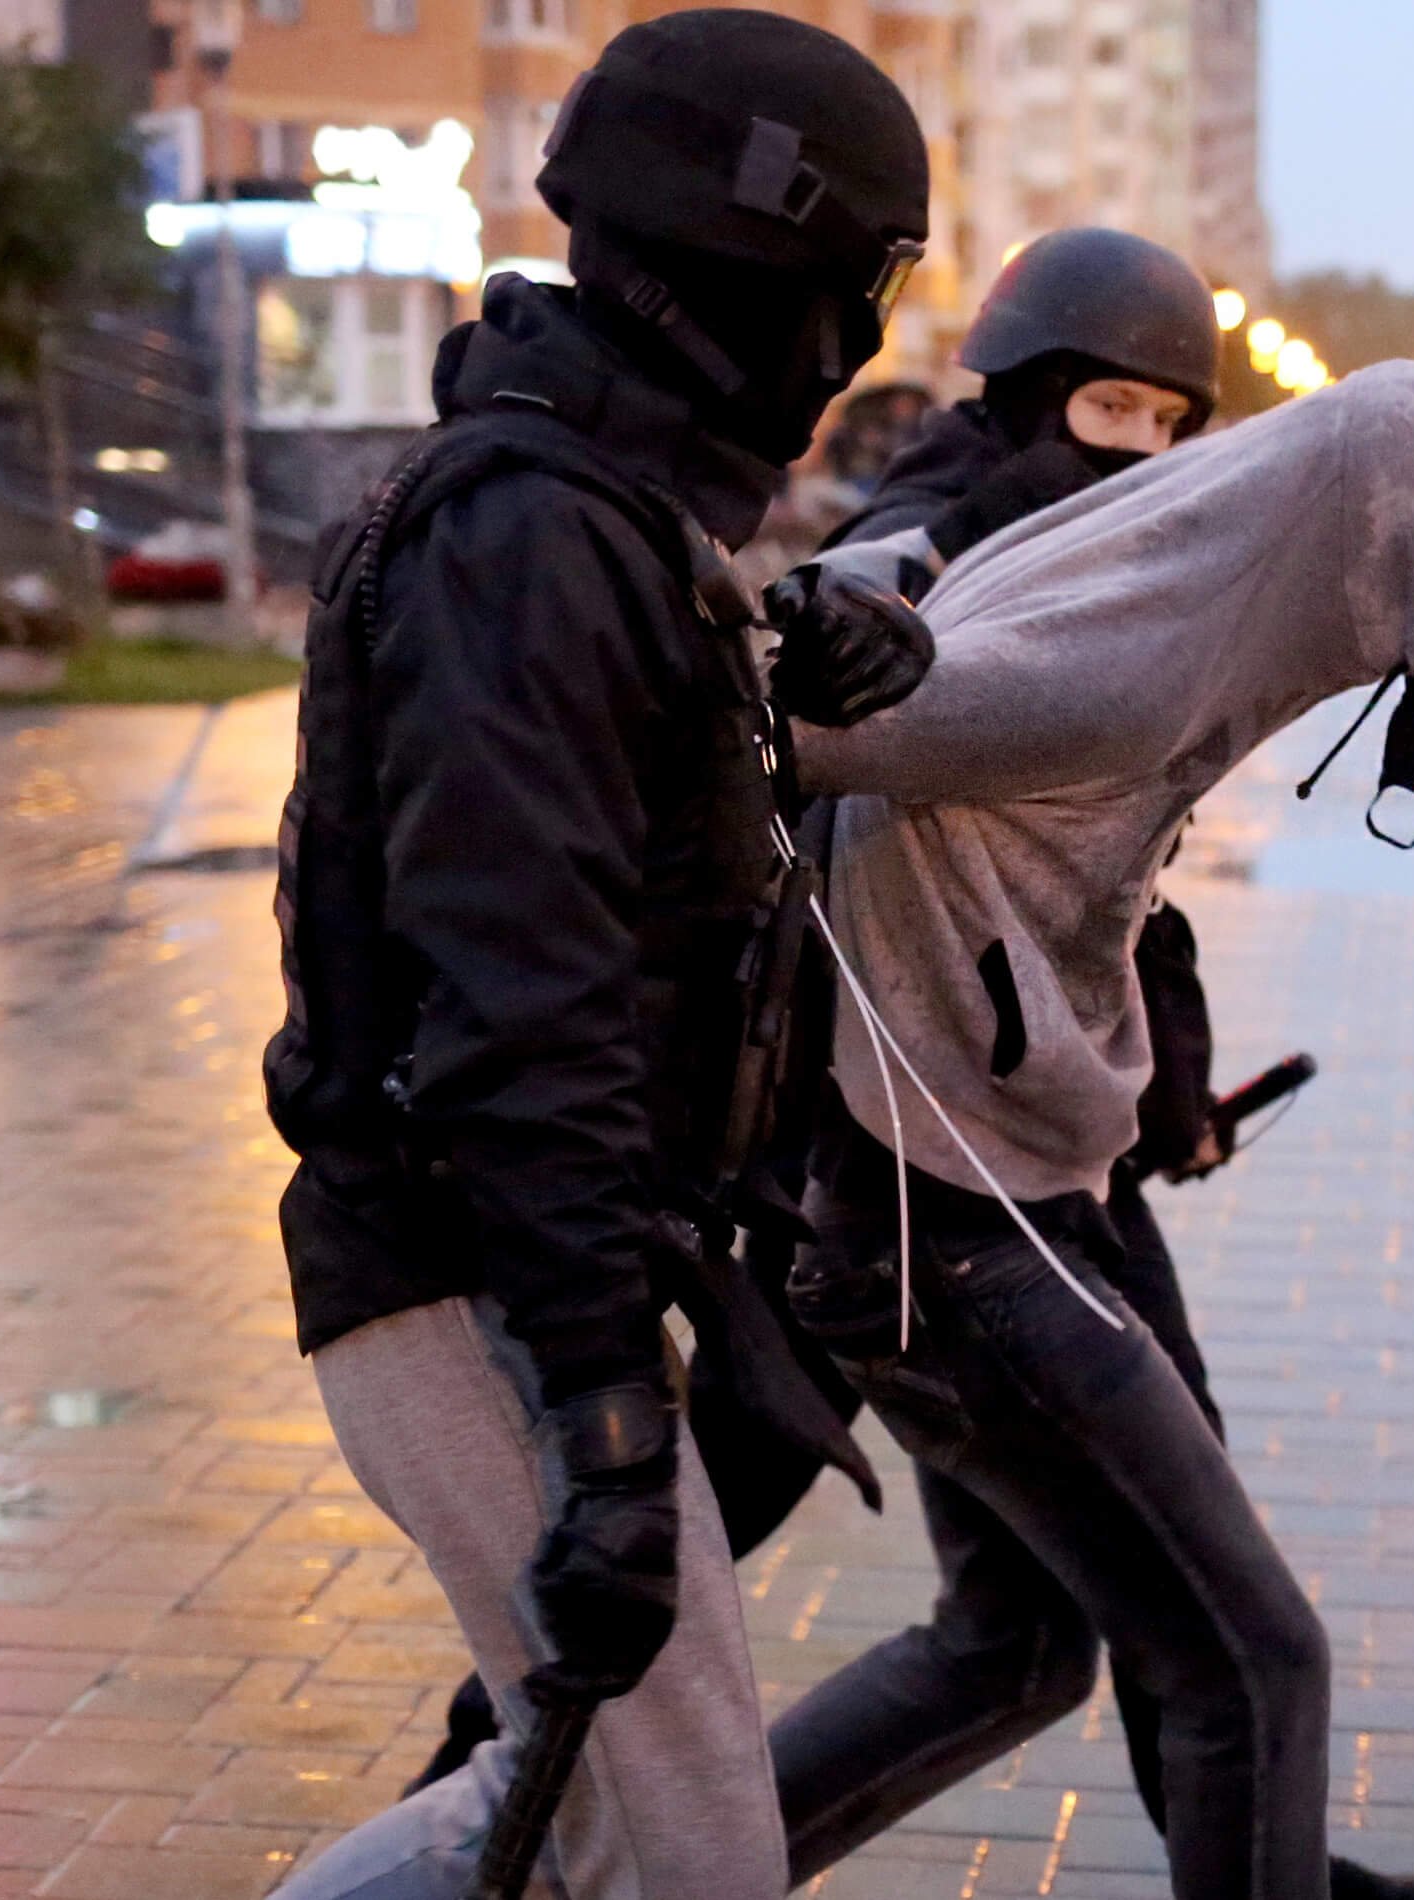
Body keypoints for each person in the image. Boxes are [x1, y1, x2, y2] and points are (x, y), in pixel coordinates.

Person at [256, 12, 935, 1896]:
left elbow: (646, 847)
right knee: (695, 1845)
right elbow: (519, 1009)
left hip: (534, 1273)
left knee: (557, 1826)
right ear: (742, 255)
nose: (859, 334)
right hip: (471, 1276)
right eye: (855, 278)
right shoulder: (531, 535)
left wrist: (810, 649)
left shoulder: (603, 513)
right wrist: (606, 1422)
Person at [766, 360, 1414, 1900]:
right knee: (1253, 1663)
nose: (1408, 666)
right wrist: (791, 625)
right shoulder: (1124, 668)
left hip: (972, 1191)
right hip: (951, 1228)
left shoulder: (1183, 610)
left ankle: (658, 1870)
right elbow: (779, 734)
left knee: (1020, 1647)